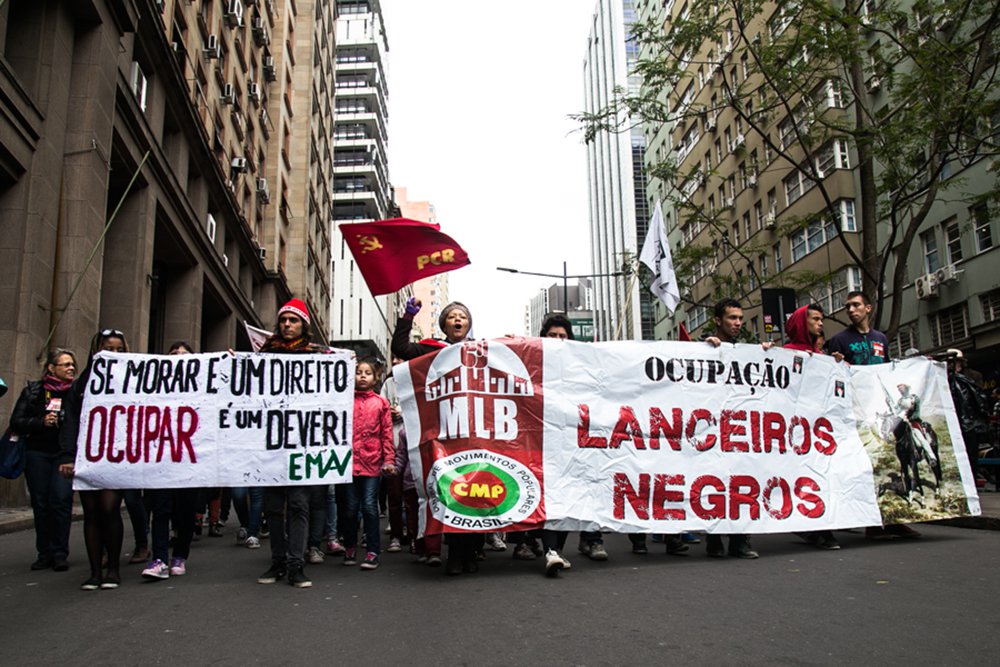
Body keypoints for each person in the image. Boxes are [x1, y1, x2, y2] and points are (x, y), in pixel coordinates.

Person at [391, 298, 484, 575]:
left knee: (476, 494)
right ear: (444, 324)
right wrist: (407, 317)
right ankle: (455, 554)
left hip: (477, 433)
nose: (458, 320)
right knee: (452, 493)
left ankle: (472, 552)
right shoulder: (432, 350)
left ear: (468, 324)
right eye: (452, 316)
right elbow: (401, 348)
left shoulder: (483, 351)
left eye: (463, 316)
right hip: (445, 433)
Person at [824, 291, 919, 539]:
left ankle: (894, 518)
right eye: (847, 307)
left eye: (856, 305)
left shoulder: (881, 339)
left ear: (868, 308)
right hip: (856, 413)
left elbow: (887, 371)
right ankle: (872, 523)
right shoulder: (839, 340)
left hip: (881, 411)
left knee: (891, 461)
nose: (851, 310)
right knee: (865, 467)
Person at [255, 298, 329, 588]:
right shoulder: (264, 353)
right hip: (271, 443)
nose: (287, 325)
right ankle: (278, 561)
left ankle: (296, 564)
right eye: (284, 320)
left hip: (302, 443)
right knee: (273, 506)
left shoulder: (317, 355)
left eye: (293, 320)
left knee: (298, 503)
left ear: (303, 326)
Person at [58, 328, 130, 590]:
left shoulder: (133, 380)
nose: (113, 354)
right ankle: (94, 572)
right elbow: (71, 422)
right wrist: (67, 456)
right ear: (96, 350)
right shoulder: (82, 384)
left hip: (117, 455)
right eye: (108, 349)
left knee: (110, 508)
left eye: (119, 350)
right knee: (92, 512)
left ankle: (113, 569)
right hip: (87, 455)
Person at [11, 348, 78, 572]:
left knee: (61, 500)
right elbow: (17, 421)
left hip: (63, 456)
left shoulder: (76, 394)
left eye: (72, 365)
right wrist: (41, 422)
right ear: (51, 368)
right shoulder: (33, 391)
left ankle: (60, 552)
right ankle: (44, 552)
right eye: (65, 364)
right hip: (37, 454)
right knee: (41, 503)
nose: (71, 368)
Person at [704, 299, 760, 559]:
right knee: (715, 483)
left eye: (740, 318)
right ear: (718, 320)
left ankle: (740, 540)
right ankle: (714, 539)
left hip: (739, 432)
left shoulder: (748, 353)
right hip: (713, 432)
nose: (738, 323)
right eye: (731, 318)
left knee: (740, 483)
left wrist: (767, 354)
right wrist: (706, 349)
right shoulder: (704, 349)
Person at [140, 341, 200, 580]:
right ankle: (159, 558)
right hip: (162, 458)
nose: (178, 357)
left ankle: (179, 556)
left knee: (185, 511)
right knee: (161, 509)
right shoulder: (155, 386)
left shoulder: (200, 388)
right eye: (174, 353)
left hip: (190, 460)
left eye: (184, 354)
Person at [783, 304, 840, 550]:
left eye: (822, 319)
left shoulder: (824, 358)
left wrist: (838, 367)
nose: (821, 324)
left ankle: (821, 526)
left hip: (818, 431)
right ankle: (814, 529)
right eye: (815, 319)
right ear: (800, 323)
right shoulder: (783, 354)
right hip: (793, 431)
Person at [342, 359, 396, 570]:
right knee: (349, 509)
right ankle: (349, 547)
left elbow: (386, 434)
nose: (362, 376)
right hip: (347, 463)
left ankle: (373, 550)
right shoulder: (344, 401)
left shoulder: (381, 403)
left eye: (367, 373)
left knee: (369, 506)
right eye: (358, 372)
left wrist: (389, 460)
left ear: (375, 378)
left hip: (372, 463)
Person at [942, 350, 990, 482]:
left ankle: (971, 482)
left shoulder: (972, 376)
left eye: (955, 361)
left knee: (971, 455)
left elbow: (978, 398)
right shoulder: (944, 376)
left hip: (970, 422)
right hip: (954, 420)